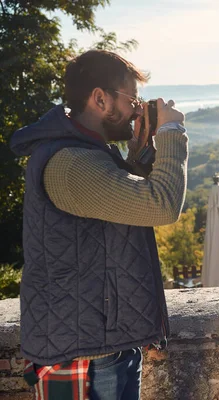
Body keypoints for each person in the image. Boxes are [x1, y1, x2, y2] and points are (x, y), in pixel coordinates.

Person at [9, 49, 188, 400]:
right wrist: (171, 130)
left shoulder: (89, 154)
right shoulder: (71, 164)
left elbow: (116, 218)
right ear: (100, 98)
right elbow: (162, 205)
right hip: (87, 356)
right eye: (132, 98)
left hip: (102, 343)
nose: (137, 108)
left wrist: (138, 151)